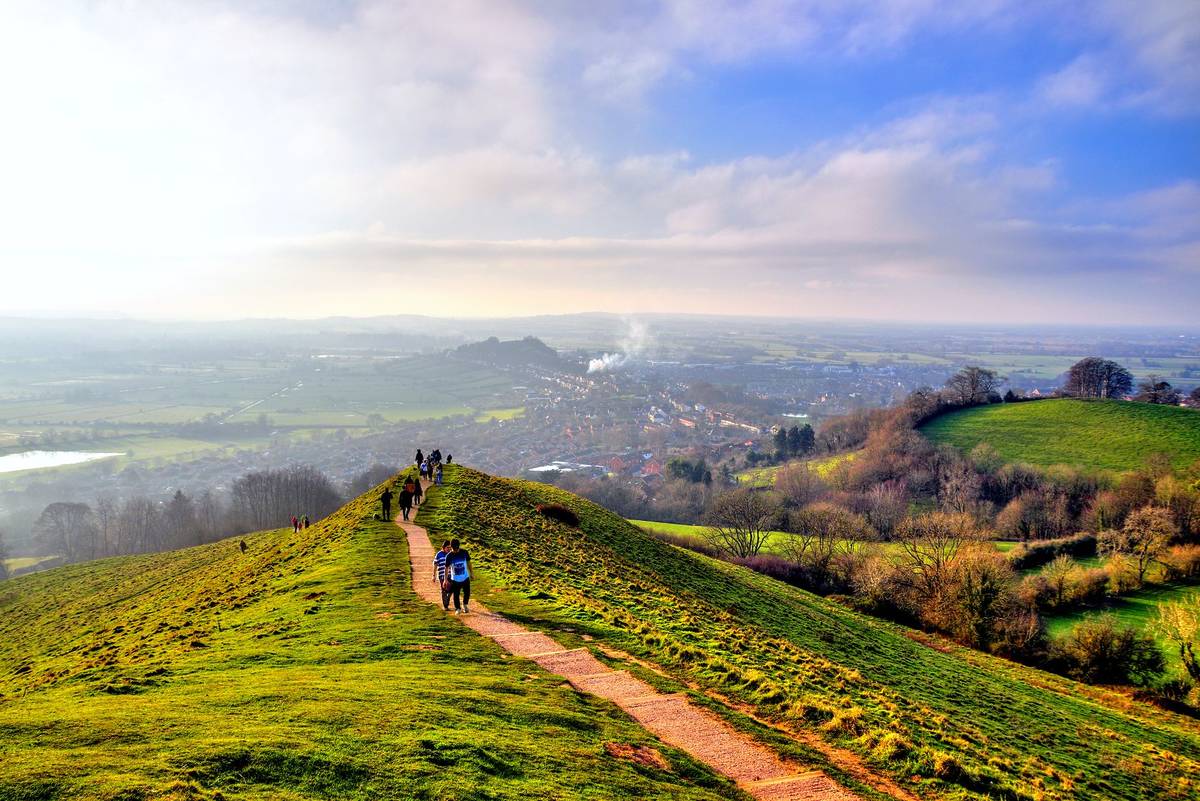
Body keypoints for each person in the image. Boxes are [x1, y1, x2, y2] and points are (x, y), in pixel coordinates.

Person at [445, 538, 471, 614]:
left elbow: (469, 562)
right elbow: (446, 568)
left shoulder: (464, 552)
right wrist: (445, 580)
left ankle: (465, 605)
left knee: (467, 593)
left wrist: (471, 573)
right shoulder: (449, 556)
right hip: (455, 579)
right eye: (454, 549)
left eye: (457, 548)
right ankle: (458, 608)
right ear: (451, 547)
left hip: (465, 577)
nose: (456, 550)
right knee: (456, 594)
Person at [433, 540, 452, 610]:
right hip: (442, 575)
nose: (449, 549)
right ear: (443, 547)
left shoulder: (451, 554)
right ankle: (445, 606)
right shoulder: (439, 554)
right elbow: (435, 565)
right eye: (447, 547)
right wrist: (433, 575)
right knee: (444, 590)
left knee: (451, 589)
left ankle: (447, 600)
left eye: (450, 548)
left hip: (451, 575)